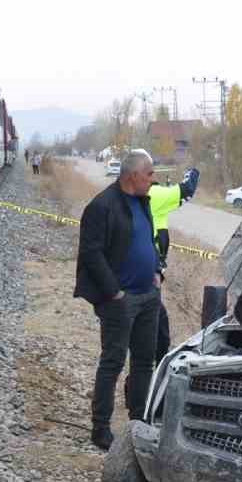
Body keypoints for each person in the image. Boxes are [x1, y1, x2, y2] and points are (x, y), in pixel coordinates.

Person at [74, 149, 162, 451]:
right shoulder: (102, 206)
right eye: (149, 174)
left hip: (148, 296)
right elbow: (91, 253)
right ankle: (100, 429)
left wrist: (156, 271)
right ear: (132, 175)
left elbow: (146, 239)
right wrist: (114, 292)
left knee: (143, 362)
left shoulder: (142, 201)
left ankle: (139, 422)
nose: (153, 179)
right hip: (119, 301)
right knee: (112, 362)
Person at [147, 166, 201, 355]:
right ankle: (149, 376)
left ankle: (143, 375)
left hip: (143, 270)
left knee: (153, 332)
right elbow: (187, 190)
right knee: (157, 334)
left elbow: (177, 200)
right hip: (147, 274)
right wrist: (192, 172)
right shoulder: (154, 194)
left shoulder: (133, 196)